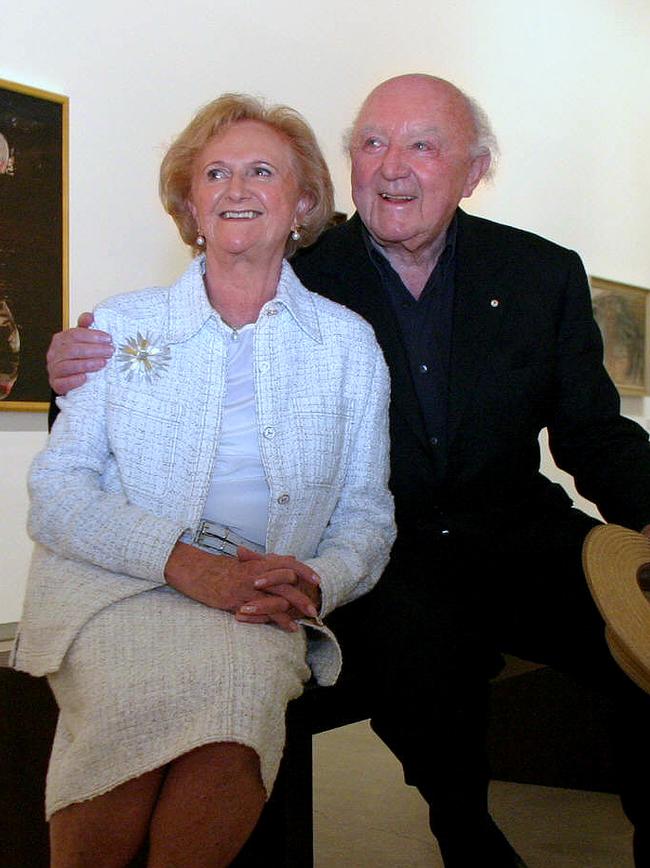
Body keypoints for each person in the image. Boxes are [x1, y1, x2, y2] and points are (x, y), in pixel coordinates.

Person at [45, 74, 650, 867]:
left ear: (473, 170)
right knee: (422, 655)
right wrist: (71, 374)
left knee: (639, 647)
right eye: (372, 143)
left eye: (422, 146)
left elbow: (591, 432)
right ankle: (465, 831)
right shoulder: (301, 269)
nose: (392, 166)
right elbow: (142, 396)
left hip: (518, 534)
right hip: (387, 554)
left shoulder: (541, 274)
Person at [13, 93, 395, 867]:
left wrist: (317, 579)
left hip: (260, 603)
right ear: (190, 206)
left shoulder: (349, 346)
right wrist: (185, 564)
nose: (236, 188)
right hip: (117, 587)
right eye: (214, 173)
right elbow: (57, 491)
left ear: (304, 203)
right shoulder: (118, 328)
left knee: (235, 696)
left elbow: (367, 512)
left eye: (262, 170)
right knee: (131, 701)